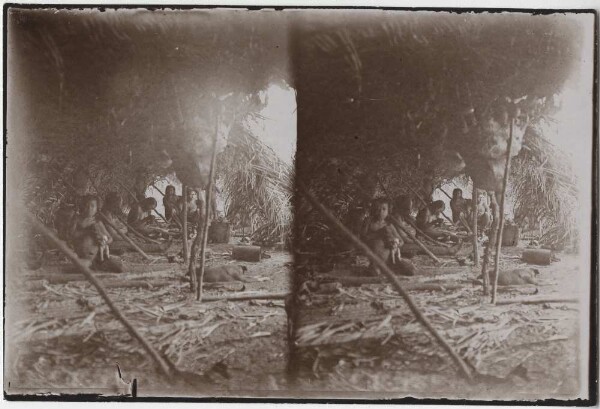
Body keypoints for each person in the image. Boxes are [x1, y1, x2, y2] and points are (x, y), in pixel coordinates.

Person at [361, 198, 416, 276]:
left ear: (388, 211)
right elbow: (362, 238)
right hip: (374, 252)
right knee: (375, 272)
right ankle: (377, 267)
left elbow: (401, 241)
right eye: (377, 209)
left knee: (410, 270)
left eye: (384, 209)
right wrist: (378, 234)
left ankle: (389, 265)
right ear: (373, 209)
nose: (380, 212)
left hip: (389, 253)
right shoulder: (368, 222)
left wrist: (396, 244)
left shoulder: (389, 225)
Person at [69, 195, 123, 273]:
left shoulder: (97, 222)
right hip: (83, 253)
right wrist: (83, 228)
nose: (89, 209)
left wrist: (104, 241)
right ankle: (91, 265)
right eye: (86, 206)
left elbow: (110, 238)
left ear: (97, 209)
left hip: (96, 254)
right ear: (82, 206)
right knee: (83, 264)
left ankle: (98, 264)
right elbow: (70, 237)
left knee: (118, 266)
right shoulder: (77, 219)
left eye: (92, 206)